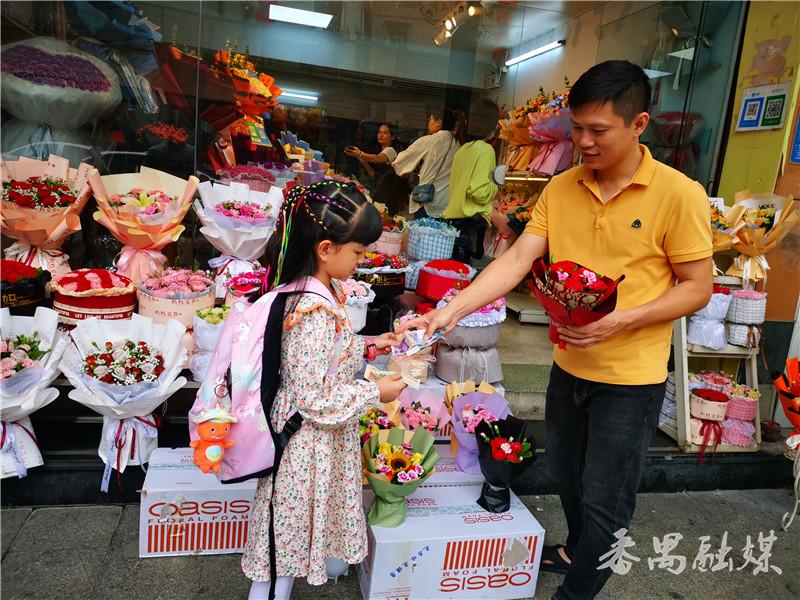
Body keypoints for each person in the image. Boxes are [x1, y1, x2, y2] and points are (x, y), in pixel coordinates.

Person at [400, 60, 713, 599]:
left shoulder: (678, 194)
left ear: (639, 124)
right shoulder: (563, 186)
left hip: (631, 378)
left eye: (599, 130)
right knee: (567, 473)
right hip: (568, 366)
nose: (583, 142)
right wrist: (450, 309)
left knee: (606, 496)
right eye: (577, 128)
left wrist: (620, 320)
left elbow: (697, 287)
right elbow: (518, 258)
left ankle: (578, 590)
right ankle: (576, 548)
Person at [241, 181, 407, 600]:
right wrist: (376, 393)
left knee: (287, 541)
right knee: (281, 546)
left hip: (311, 442)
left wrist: (371, 344)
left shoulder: (319, 291)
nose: (362, 261)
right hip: (304, 444)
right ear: (326, 249)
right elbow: (314, 398)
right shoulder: (313, 310)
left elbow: (325, 357)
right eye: (359, 252)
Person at [443, 105, 502, 263]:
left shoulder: (462, 150)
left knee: (453, 271)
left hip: (454, 222)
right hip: (471, 223)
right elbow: (479, 192)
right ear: (492, 127)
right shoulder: (486, 150)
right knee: (466, 272)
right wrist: (496, 184)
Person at [392, 108, 466, 219]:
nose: (428, 124)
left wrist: (406, 172)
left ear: (438, 122)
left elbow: (400, 162)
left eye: (430, 120)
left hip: (426, 201)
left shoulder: (430, 140)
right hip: (446, 204)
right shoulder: (458, 145)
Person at [345, 123, 409, 214]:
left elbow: (377, 158)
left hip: (389, 196)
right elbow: (373, 174)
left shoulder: (391, 150)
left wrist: (360, 154)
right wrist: (359, 158)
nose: (381, 135)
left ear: (392, 137)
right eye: (379, 132)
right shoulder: (378, 150)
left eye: (385, 133)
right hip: (379, 193)